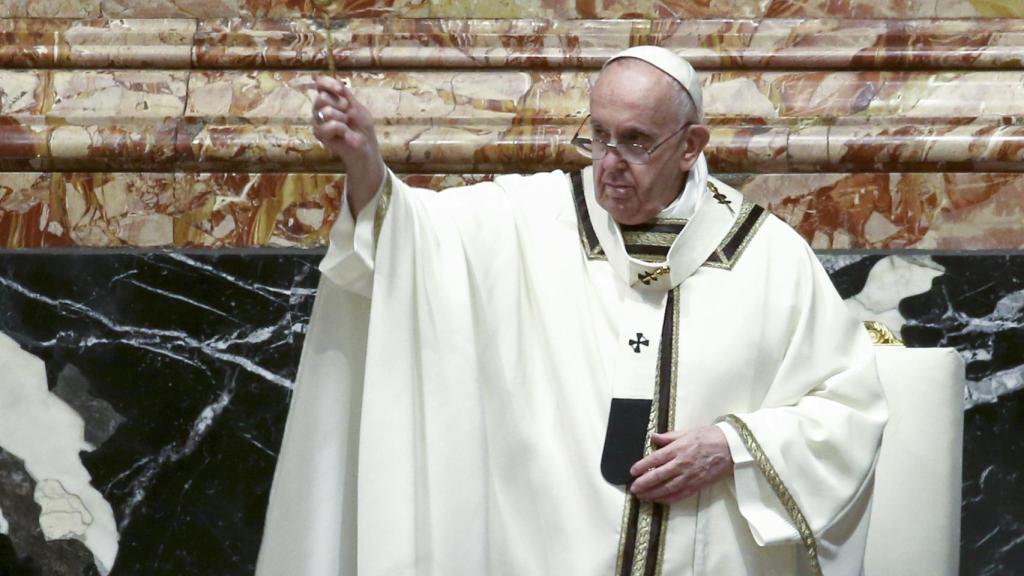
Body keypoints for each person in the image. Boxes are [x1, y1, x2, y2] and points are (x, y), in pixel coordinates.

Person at [257, 46, 887, 576]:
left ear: (691, 145)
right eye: (598, 136)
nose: (608, 164)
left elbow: (849, 408)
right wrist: (366, 160)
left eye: (635, 142)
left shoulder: (766, 255)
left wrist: (733, 446)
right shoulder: (535, 218)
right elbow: (411, 239)